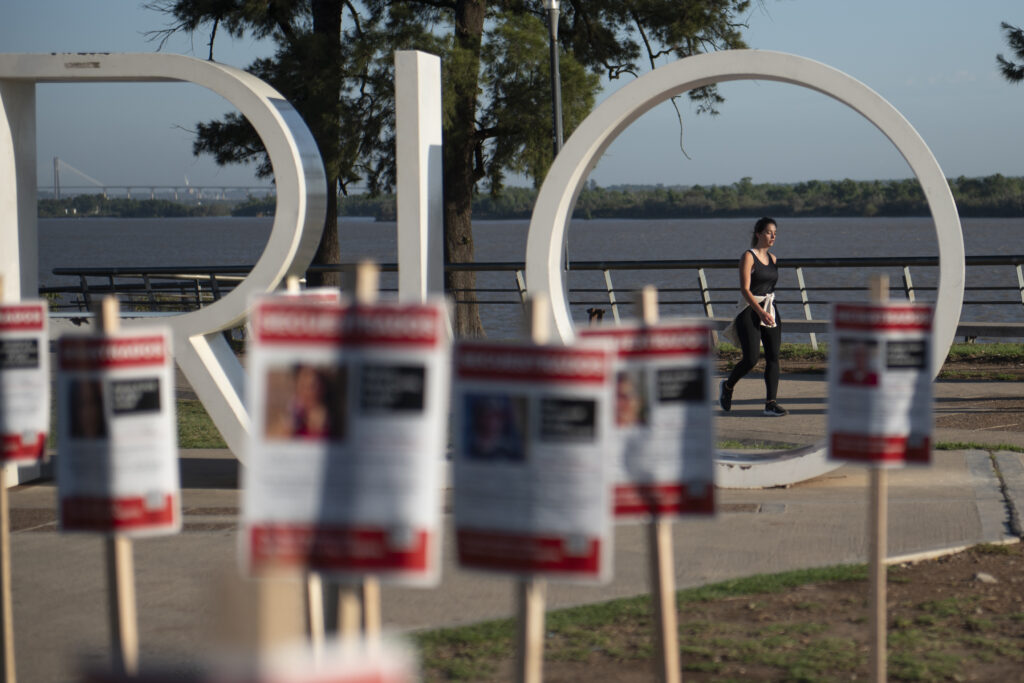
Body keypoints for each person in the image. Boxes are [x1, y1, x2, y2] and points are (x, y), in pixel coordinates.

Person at [719, 217, 787, 416]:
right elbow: (745, 289)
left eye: (775, 233)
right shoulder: (748, 256)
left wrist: (767, 312)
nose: (773, 236)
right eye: (769, 232)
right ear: (758, 234)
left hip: (770, 308)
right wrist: (760, 312)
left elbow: (769, 287)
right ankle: (728, 386)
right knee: (751, 359)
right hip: (750, 310)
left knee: (773, 356)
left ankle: (770, 403)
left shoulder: (773, 259)